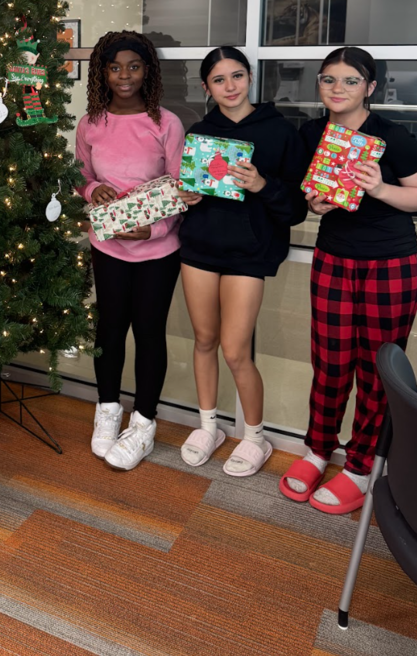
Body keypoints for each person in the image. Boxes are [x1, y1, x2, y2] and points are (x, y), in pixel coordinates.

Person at [279, 46, 417, 514]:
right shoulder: (313, 132)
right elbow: (307, 194)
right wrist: (314, 205)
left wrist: (378, 188)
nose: (337, 90)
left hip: (391, 262)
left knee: (375, 369)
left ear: (371, 87)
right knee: (330, 361)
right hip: (334, 256)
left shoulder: (392, 136)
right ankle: (319, 449)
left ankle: (361, 465)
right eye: (328, 80)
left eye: (350, 81)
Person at [177, 46, 306, 476]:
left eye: (237, 76)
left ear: (250, 78)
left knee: (235, 351)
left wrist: (261, 184)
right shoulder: (199, 131)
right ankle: (208, 426)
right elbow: (190, 190)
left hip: (249, 254)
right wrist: (188, 197)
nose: (230, 86)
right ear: (206, 87)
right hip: (198, 248)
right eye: (219, 80)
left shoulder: (280, 131)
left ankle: (255, 437)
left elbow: (296, 210)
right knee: (203, 340)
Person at [75, 30, 185, 471]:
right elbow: (80, 177)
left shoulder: (167, 124)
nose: (124, 76)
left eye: (134, 66)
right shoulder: (90, 123)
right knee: (110, 330)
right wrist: (94, 188)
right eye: (115, 67)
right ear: (102, 71)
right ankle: (107, 410)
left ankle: (143, 422)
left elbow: (180, 189)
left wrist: (154, 228)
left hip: (158, 251)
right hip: (108, 247)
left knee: (149, 334)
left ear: (148, 71)